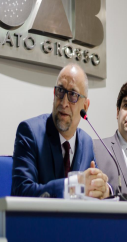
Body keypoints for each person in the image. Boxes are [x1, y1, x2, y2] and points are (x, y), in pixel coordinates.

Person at [11, 63, 110, 199]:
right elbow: (22, 191)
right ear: (54, 93)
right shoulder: (30, 133)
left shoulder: (86, 142)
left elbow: (92, 184)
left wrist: (104, 190)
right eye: (60, 91)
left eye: (73, 95)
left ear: (85, 106)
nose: (64, 103)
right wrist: (74, 186)